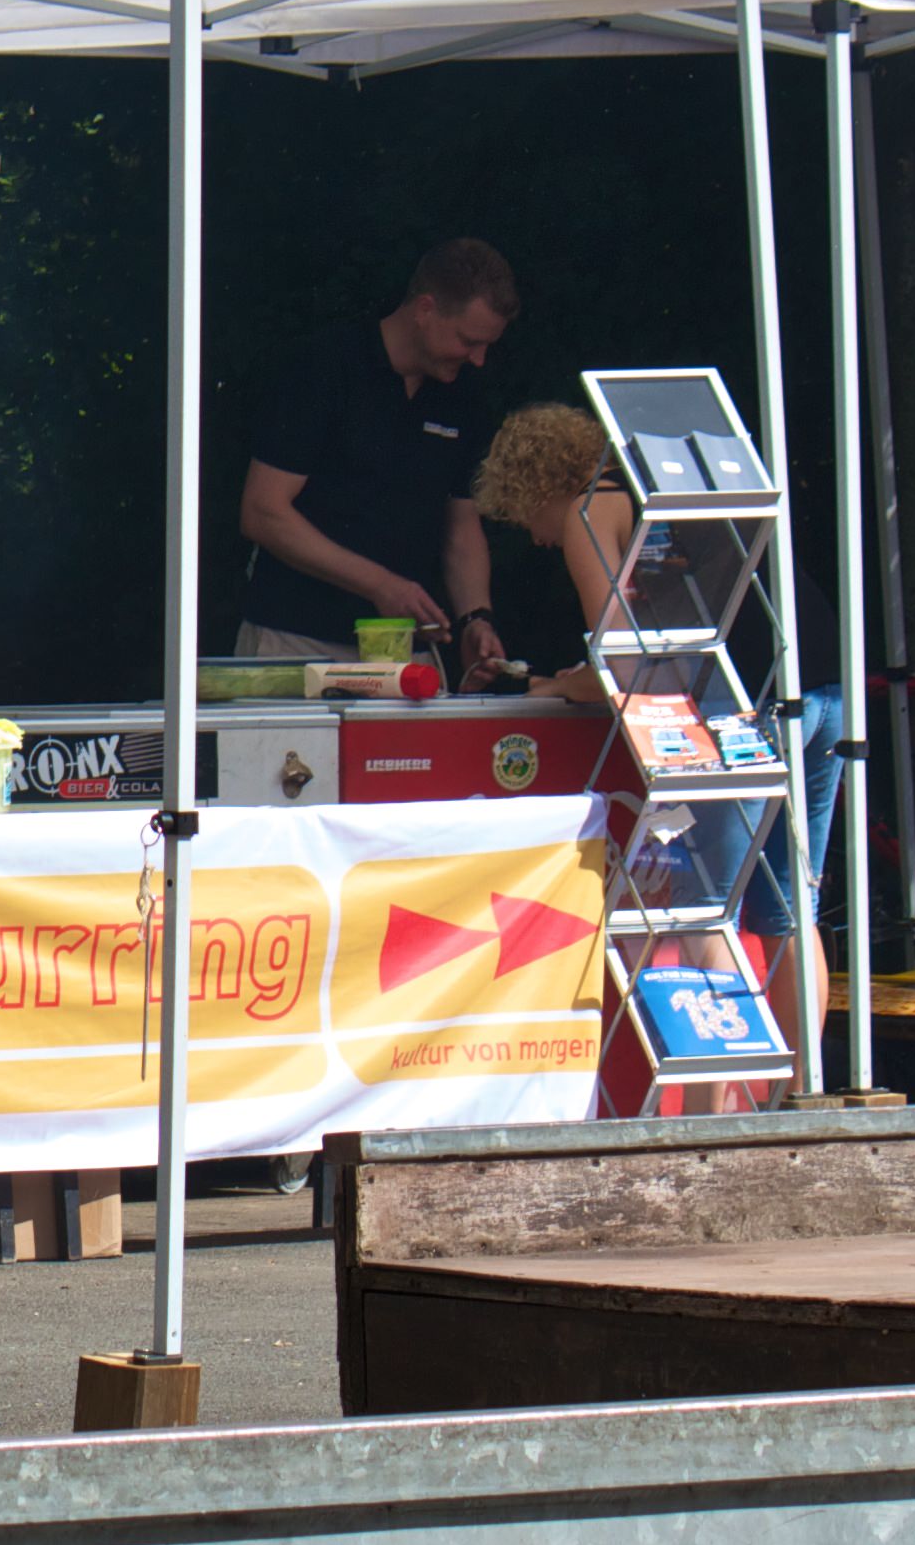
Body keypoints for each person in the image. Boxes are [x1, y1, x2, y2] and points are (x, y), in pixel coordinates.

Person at [473, 400, 843, 1065]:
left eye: (524, 518)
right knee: (791, 912)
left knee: (704, 911)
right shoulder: (662, 488)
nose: (536, 538)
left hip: (741, 702)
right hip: (820, 685)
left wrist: (560, 685)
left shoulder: (591, 512)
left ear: (533, 488)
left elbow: (622, 664)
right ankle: (802, 1092)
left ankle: (713, 1100)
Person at [236, 239, 519, 670]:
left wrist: (476, 618)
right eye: (468, 341)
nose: (478, 359)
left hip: (405, 650)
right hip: (295, 640)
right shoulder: (324, 366)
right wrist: (380, 584)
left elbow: (462, 526)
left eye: (486, 346)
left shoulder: (462, 394)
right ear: (425, 309)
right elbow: (262, 511)